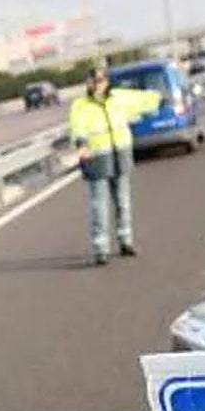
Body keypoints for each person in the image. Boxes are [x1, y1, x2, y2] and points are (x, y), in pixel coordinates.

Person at [68, 66, 161, 265]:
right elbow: (78, 128)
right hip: (96, 157)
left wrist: (160, 95)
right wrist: (81, 145)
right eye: (94, 80)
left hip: (120, 154)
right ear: (88, 82)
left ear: (107, 81)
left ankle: (125, 241)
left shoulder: (118, 98)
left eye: (101, 80)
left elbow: (146, 100)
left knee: (123, 201)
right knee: (99, 204)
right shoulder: (80, 105)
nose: (98, 84)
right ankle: (100, 248)